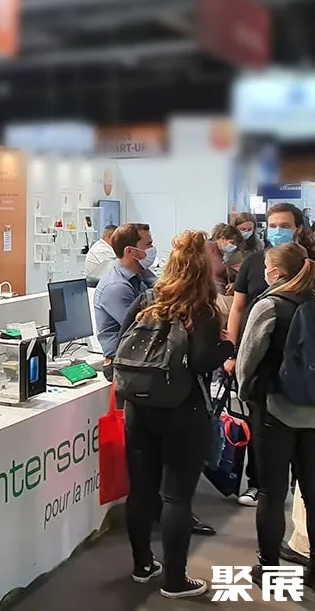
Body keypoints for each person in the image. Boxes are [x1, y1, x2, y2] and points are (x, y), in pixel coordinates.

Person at [121, 231, 233, 599]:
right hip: (183, 411)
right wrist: (227, 347)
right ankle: (175, 580)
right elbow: (200, 361)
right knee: (176, 498)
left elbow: (121, 347)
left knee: (141, 490)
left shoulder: (147, 299)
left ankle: (142, 566)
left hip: (139, 408)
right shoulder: (202, 309)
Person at [235, 242, 315, 590]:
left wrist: (245, 393)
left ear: (277, 272)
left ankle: (268, 568)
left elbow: (248, 358)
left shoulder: (269, 305)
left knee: (271, 492)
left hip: (275, 410)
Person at [225, 202, 315, 507]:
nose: (277, 231)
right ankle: (257, 482)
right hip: (268, 373)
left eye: (284, 226)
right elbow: (238, 308)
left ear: (298, 227)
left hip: (301, 373)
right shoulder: (253, 263)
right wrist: (233, 352)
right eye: (273, 225)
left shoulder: (307, 264)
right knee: (266, 449)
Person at [93, 223, 155, 378]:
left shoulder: (140, 276)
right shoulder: (116, 287)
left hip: (137, 357)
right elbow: (143, 328)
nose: (152, 249)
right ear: (130, 251)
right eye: (148, 245)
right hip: (122, 364)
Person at [206, 223, 243, 293]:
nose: (234, 246)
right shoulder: (210, 247)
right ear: (223, 238)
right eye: (232, 243)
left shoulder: (225, 253)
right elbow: (217, 269)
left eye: (236, 244)